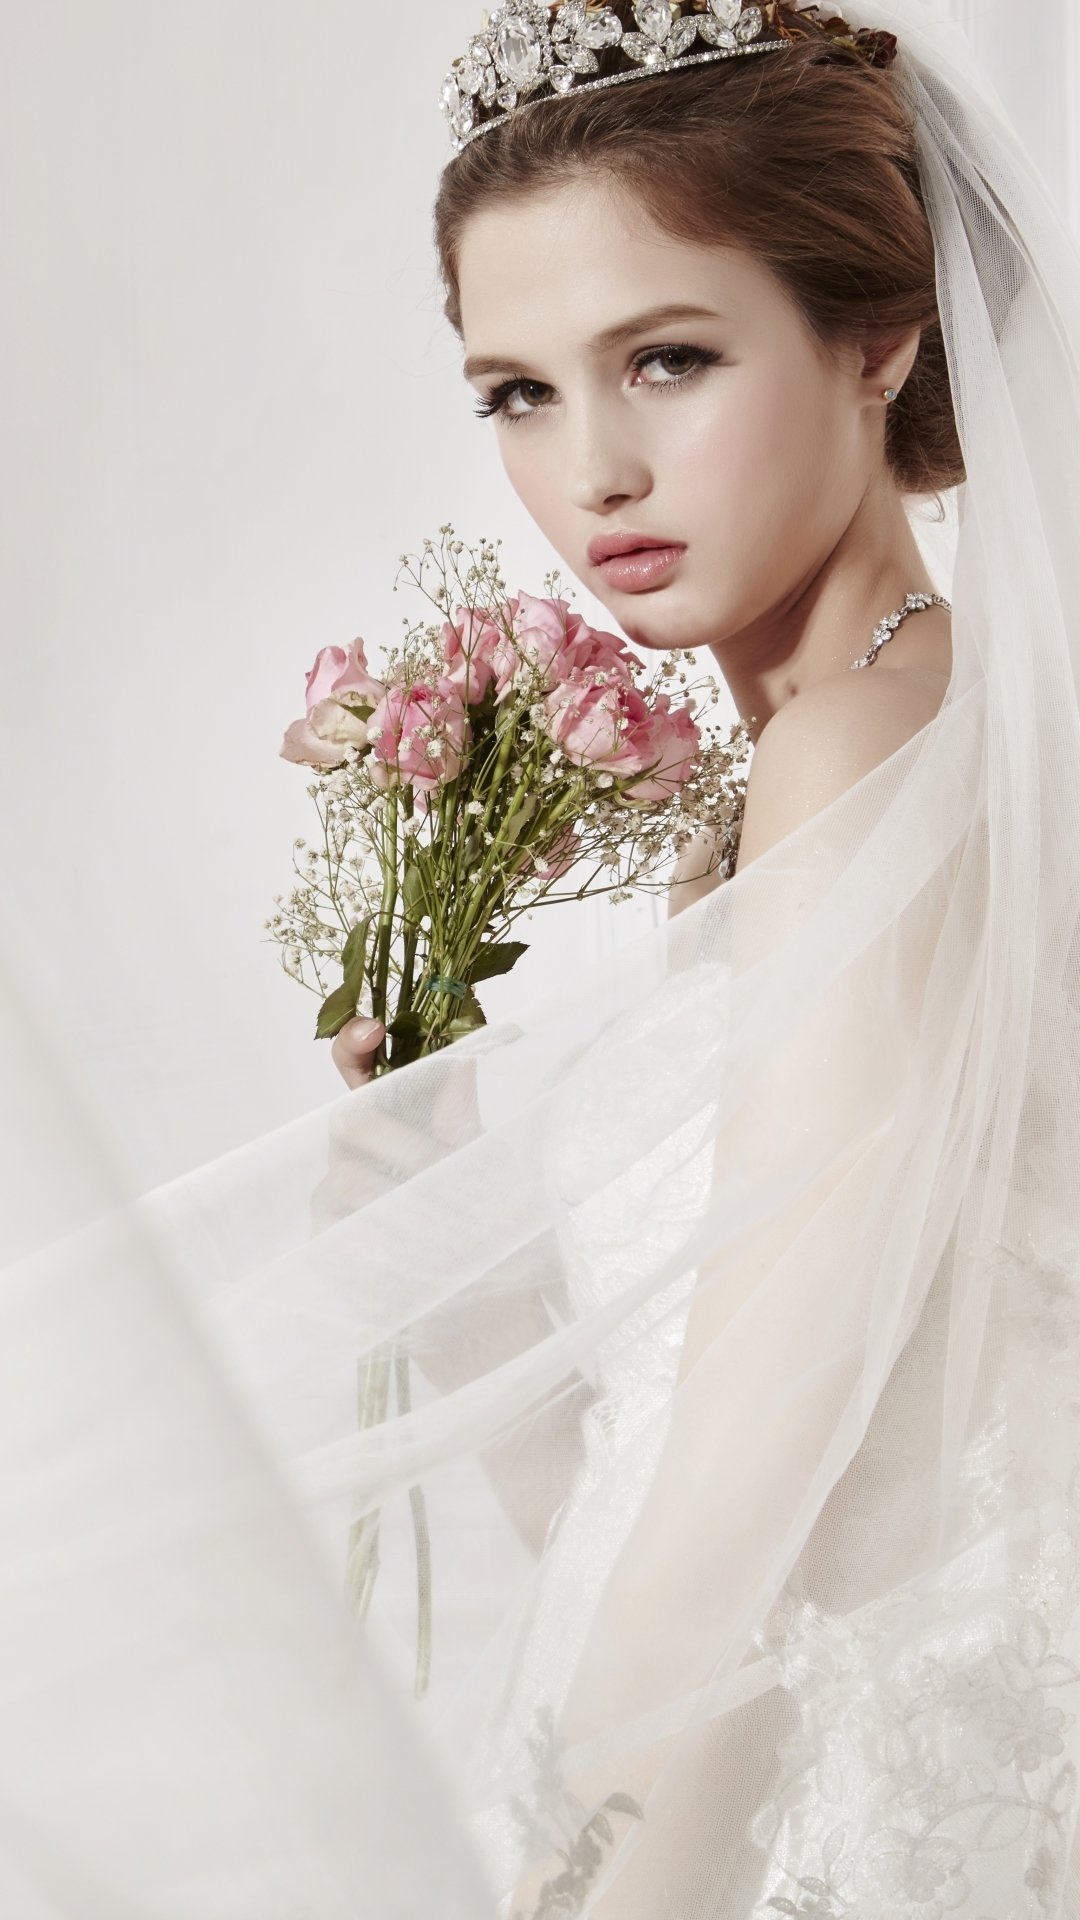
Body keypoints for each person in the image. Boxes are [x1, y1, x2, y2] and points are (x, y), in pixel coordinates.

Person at [4, 0, 1080, 1915]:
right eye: (516, 392)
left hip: (802, 1793)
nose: (592, 472)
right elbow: (681, 1431)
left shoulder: (861, 751)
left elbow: (767, 1459)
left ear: (881, 341)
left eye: (666, 359)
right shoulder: (875, 738)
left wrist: (604, 1860)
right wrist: (449, 1234)